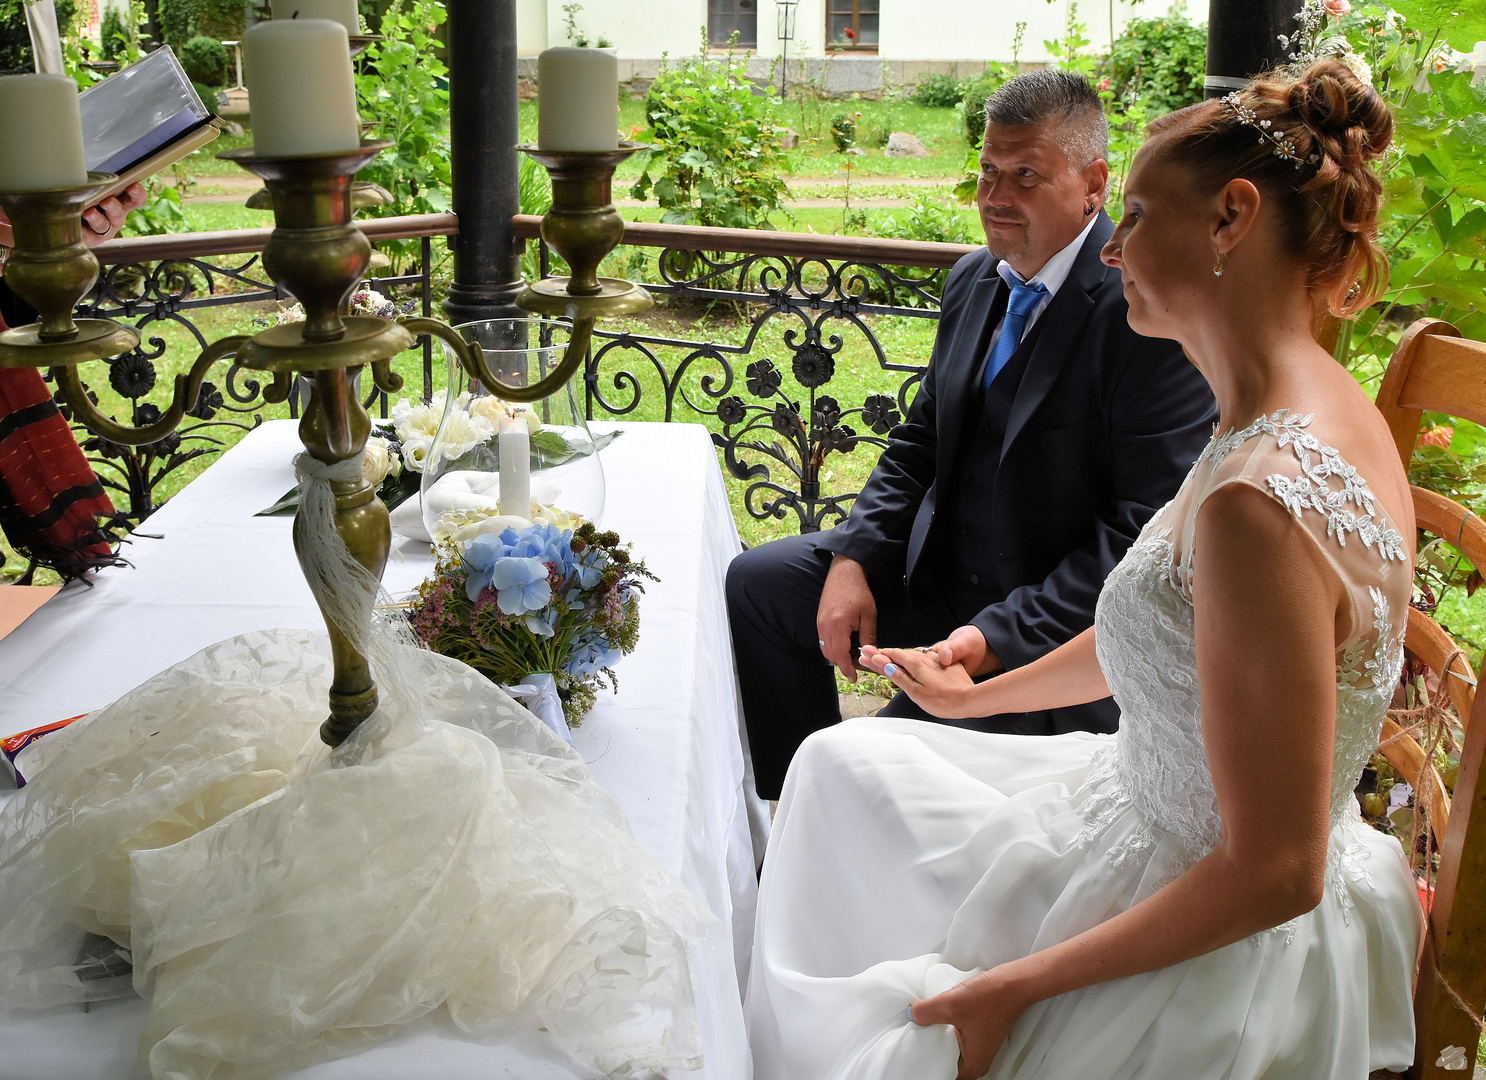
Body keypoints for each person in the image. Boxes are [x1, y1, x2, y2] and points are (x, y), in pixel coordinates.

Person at [746, 59, 1420, 1080]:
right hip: (1145, 792)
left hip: (1217, 928)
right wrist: (976, 701)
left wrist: (1015, 987)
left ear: (1231, 219)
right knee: (836, 768)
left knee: (898, 1013)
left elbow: (1278, 872)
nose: (1112, 247)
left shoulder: (1259, 498)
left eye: (1138, 214)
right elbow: (1168, 638)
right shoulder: (1273, 400)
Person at [727, 71, 1216, 800]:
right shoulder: (972, 282)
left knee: (872, 762)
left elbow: (1137, 538)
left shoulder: (1144, 312)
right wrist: (855, 556)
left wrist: (991, 640)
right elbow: (920, 440)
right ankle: (788, 814)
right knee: (760, 586)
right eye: (988, 171)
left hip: (1047, 634)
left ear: (1093, 183)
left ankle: (840, 812)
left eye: (1025, 174)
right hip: (938, 583)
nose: (994, 198)